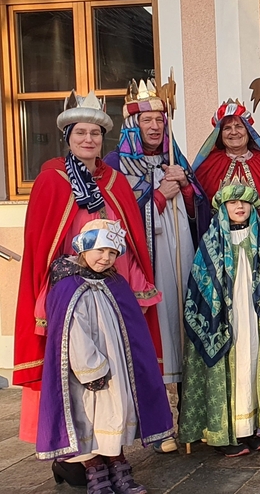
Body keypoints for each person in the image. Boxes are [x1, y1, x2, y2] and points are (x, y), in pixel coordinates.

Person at [14, 91, 162, 457]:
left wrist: (136, 283)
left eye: (95, 133)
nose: (88, 139)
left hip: (113, 286)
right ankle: (75, 455)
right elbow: (42, 246)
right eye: (80, 132)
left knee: (115, 366)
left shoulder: (116, 182)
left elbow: (131, 238)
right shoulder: (51, 180)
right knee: (75, 367)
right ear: (68, 136)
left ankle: (111, 450)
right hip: (69, 290)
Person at [105, 82, 210, 456]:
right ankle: (159, 426)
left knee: (184, 330)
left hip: (182, 258)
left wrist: (186, 189)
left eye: (160, 120)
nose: (154, 127)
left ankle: (192, 420)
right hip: (145, 264)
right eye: (147, 120)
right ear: (133, 124)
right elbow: (118, 217)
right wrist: (160, 197)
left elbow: (200, 212)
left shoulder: (175, 159)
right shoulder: (117, 165)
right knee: (156, 338)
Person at [38, 220, 174, 494]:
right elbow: (73, 334)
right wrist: (91, 369)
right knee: (88, 420)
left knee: (113, 416)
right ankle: (95, 473)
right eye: (100, 250)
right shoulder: (66, 286)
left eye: (112, 252)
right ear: (83, 248)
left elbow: (131, 327)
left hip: (116, 368)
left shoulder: (115, 283)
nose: (106, 258)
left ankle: (119, 467)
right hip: (85, 374)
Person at [178, 179, 260, 457]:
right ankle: (224, 433)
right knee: (230, 367)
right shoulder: (213, 238)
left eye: (245, 201)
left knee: (252, 363)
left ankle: (249, 429)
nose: (239, 207)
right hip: (223, 316)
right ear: (223, 207)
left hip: (255, 313)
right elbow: (200, 281)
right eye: (233, 202)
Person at [191, 99, 260, 202]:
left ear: (248, 131)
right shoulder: (208, 164)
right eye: (227, 128)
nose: (234, 132)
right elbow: (196, 201)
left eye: (239, 126)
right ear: (220, 134)